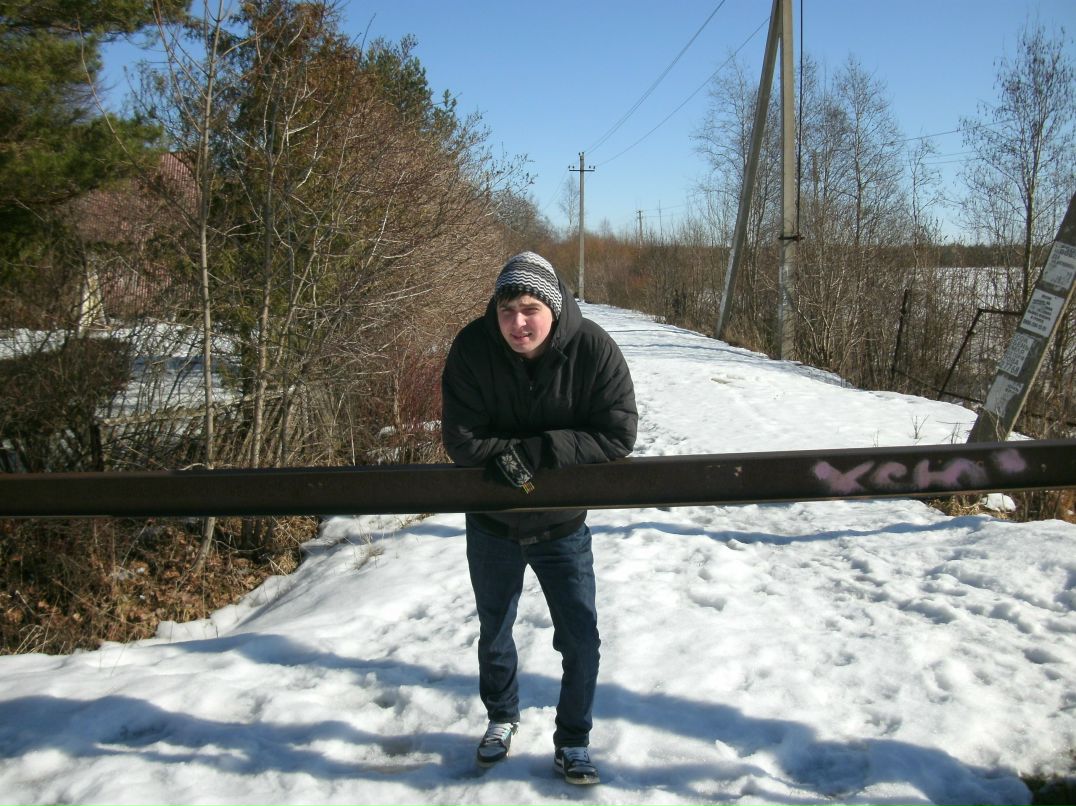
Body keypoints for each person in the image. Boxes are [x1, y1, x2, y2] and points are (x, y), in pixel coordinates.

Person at [440, 251, 638, 785]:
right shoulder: (471, 347)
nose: (518, 322)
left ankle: (573, 740)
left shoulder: (593, 349)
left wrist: (544, 448)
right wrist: (505, 458)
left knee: (579, 639)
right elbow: (460, 438)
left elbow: (618, 434)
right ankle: (501, 717)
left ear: (553, 307)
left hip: (561, 526)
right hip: (492, 524)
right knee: (495, 630)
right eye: (507, 309)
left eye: (530, 308)